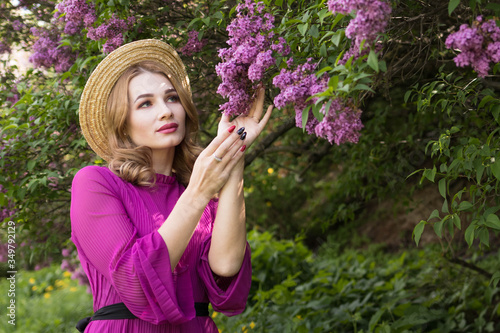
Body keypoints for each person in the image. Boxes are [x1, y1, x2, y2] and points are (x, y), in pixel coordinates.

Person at [71, 39, 272, 332]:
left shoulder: (196, 192)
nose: (165, 111)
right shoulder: (96, 182)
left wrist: (235, 150)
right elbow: (135, 281)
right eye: (145, 103)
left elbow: (226, 268)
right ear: (122, 123)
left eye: (172, 98)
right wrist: (200, 191)